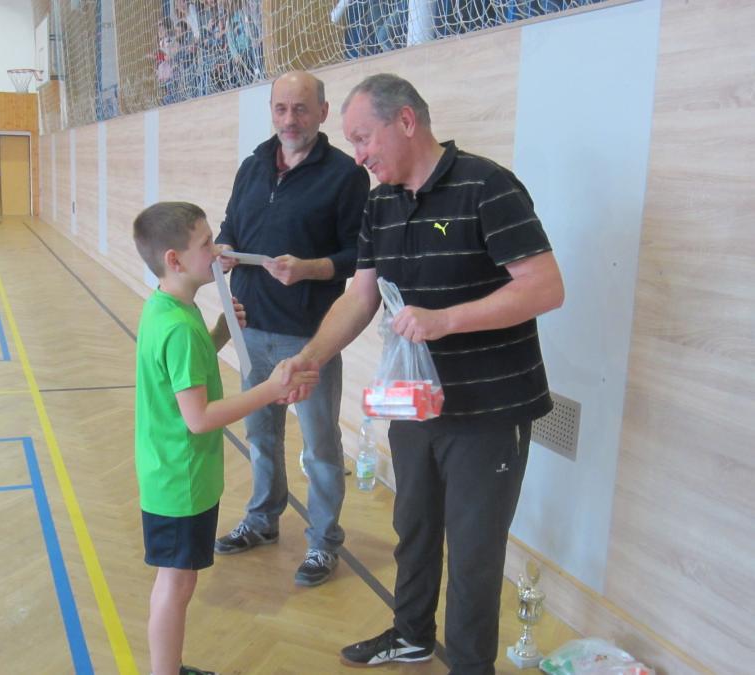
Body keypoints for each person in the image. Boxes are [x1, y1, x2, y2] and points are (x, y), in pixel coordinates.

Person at [285, 73, 565, 674]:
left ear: (406, 121)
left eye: (363, 138)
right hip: (414, 405)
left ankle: (469, 665)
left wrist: (446, 320)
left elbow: (545, 287)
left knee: (473, 553)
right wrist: (311, 356)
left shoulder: (488, 187)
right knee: (412, 526)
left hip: (488, 415)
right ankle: (410, 635)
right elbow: (360, 296)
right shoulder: (380, 203)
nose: (358, 155)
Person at [132, 201, 318, 675]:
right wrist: (270, 390)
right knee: (176, 584)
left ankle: (169, 667)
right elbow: (198, 418)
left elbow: (181, 377)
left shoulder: (168, 306)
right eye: (206, 244)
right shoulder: (178, 326)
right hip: (181, 480)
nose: (217, 251)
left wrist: (218, 334)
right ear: (174, 259)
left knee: (178, 581)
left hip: (171, 472)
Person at [212, 70, 370, 587]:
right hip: (250, 328)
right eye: (281, 108)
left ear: (322, 112)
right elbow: (230, 228)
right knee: (260, 436)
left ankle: (323, 542)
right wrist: (224, 250)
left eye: (300, 108)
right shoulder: (253, 166)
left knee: (320, 445)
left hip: (310, 338)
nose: (289, 119)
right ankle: (262, 519)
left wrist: (309, 269)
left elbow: (357, 257)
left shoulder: (346, 175)